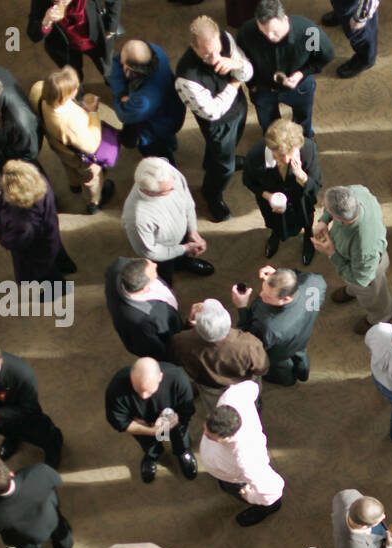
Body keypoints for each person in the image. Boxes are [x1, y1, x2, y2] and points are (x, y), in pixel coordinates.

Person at [174, 15, 252, 223]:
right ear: (194, 47)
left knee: (225, 151)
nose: (216, 59)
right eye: (208, 54)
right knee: (223, 166)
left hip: (238, 109)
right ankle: (212, 193)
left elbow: (247, 71)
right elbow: (212, 112)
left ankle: (214, 162)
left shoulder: (225, 38)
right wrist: (235, 84)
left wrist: (236, 64)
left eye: (218, 50)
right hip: (218, 124)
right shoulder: (185, 76)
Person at [236, 0, 334, 140]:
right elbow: (243, 60)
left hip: (300, 86)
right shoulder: (247, 32)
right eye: (263, 32)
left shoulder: (309, 32)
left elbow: (325, 56)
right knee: (268, 124)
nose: (269, 37)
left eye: (274, 31)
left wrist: (302, 73)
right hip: (263, 88)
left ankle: (304, 142)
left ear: (285, 19)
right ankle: (273, 146)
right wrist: (252, 84)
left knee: (302, 120)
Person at [29, 66, 117, 215]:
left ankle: (74, 185)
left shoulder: (38, 90)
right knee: (91, 178)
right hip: (79, 157)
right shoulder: (70, 123)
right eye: (74, 89)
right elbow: (92, 145)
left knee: (68, 166)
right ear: (64, 96)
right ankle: (93, 202)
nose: (77, 90)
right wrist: (93, 112)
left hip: (58, 146)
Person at [199, 381, 284, 527]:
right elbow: (252, 386)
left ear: (229, 437)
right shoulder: (232, 397)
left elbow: (273, 490)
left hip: (237, 480)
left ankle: (267, 509)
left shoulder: (247, 459)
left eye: (211, 437)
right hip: (225, 472)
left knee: (241, 491)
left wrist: (251, 496)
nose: (205, 433)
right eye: (205, 428)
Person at [103, 357, 199, 483]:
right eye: (137, 389)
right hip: (143, 427)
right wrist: (152, 431)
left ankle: (183, 452)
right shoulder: (116, 388)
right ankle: (153, 455)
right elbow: (119, 422)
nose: (143, 396)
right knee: (148, 442)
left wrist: (176, 419)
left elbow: (187, 409)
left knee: (180, 436)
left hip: (172, 420)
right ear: (131, 377)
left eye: (148, 391)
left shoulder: (177, 379)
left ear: (160, 377)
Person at [315, 185, 392, 334]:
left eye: (326, 208)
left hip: (368, 272)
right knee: (355, 286)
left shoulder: (364, 246)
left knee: (372, 297)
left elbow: (361, 279)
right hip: (356, 262)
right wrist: (324, 220)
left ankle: (381, 317)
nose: (323, 208)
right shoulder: (356, 192)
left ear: (339, 219)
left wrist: (331, 253)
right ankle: (352, 291)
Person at [123, 157, 214, 286]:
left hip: (180, 235)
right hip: (163, 250)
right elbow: (151, 251)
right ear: (148, 191)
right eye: (167, 190)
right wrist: (185, 248)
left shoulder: (168, 172)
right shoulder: (137, 218)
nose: (174, 188)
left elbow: (187, 201)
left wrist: (192, 230)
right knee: (164, 275)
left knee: (180, 255)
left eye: (173, 181)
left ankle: (182, 262)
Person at [0, 160, 76, 293]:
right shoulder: (38, 181)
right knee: (55, 253)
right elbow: (4, 195)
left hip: (36, 249)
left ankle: (59, 289)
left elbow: (13, 241)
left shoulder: (22, 221)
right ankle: (66, 267)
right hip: (49, 232)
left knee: (44, 271)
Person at [242, 118, 321, 263]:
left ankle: (308, 237)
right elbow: (248, 181)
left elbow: (316, 185)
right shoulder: (255, 156)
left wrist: (303, 177)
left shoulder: (308, 149)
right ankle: (276, 234)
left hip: (300, 200)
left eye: (292, 155)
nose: (288, 160)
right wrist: (267, 196)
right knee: (275, 222)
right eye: (280, 156)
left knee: (306, 220)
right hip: (272, 204)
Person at [169, 299, 269, 410]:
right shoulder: (249, 344)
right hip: (243, 384)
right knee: (249, 404)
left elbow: (175, 358)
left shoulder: (181, 340)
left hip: (210, 388)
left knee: (216, 408)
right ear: (228, 320)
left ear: (197, 324)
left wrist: (188, 323)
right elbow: (262, 368)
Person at [234, 266, 325, 385]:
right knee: (300, 353)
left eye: (268, 296)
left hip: (279, 351)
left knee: (281, 369)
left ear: (286, 299)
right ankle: (303, 373)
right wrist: (279, 276)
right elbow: (299, 277)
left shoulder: (268, 326)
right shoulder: (315, 282)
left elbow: (249, 341)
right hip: (302, 337)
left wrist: (241, 307)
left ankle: (289, 381)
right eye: (263, 289)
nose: (261, 295)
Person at [107, 38, 186, 162]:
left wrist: (120, 97)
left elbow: (124, 114)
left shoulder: (143, 99)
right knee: (168, 138)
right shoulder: (153, 50)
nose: (119, 61)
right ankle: (172, 144)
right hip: (173, 110)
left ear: (131, 67)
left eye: (123, 63)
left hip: (155, 130)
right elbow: (118, 60)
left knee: (158, 156)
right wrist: (121, 91)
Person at [105, 257, 182, 360]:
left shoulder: (120, 265)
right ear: (144, 288)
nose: (155, 265)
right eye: (153, 270)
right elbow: (155, 349)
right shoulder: (144, 320)